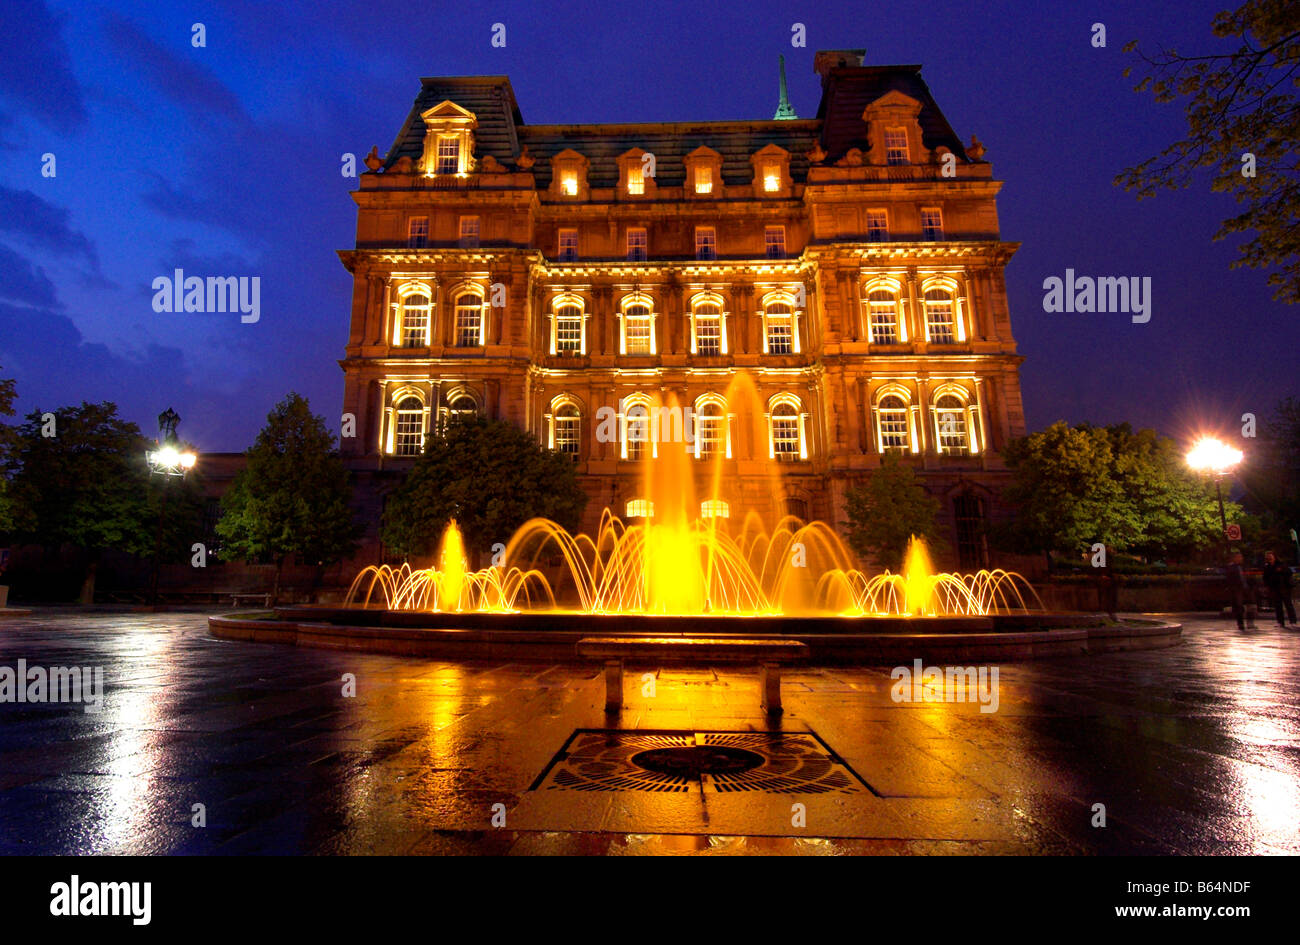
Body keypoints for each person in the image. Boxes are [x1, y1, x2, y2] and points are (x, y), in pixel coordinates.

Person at [1261, 551, 1297, 628]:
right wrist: (1267, 586)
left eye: (1270, 556)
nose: (1269, 558)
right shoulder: (1267, 566)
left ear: (1274, 556)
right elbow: (1265, 577)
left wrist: (1281, 570)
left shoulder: (1281, 564)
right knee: (1278, 606)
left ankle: (1293, 621)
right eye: (1267, 557)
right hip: (1274, 588)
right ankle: (1280, 622)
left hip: (1284, 587)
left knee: (1288, 605)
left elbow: (1289, 572)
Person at [1224, 551, 1255, 631]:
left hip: (1246, 588)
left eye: (1240, 557)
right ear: (1234, 558)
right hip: (1237, 589)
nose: (1240, 559)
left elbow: (1250, 576)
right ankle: (1240, 623)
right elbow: (1229, 578)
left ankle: (1250, 622)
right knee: (1239, 606)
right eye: (1238, 557)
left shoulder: (1244, 566)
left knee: (1251, 605)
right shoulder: (1231, 567)